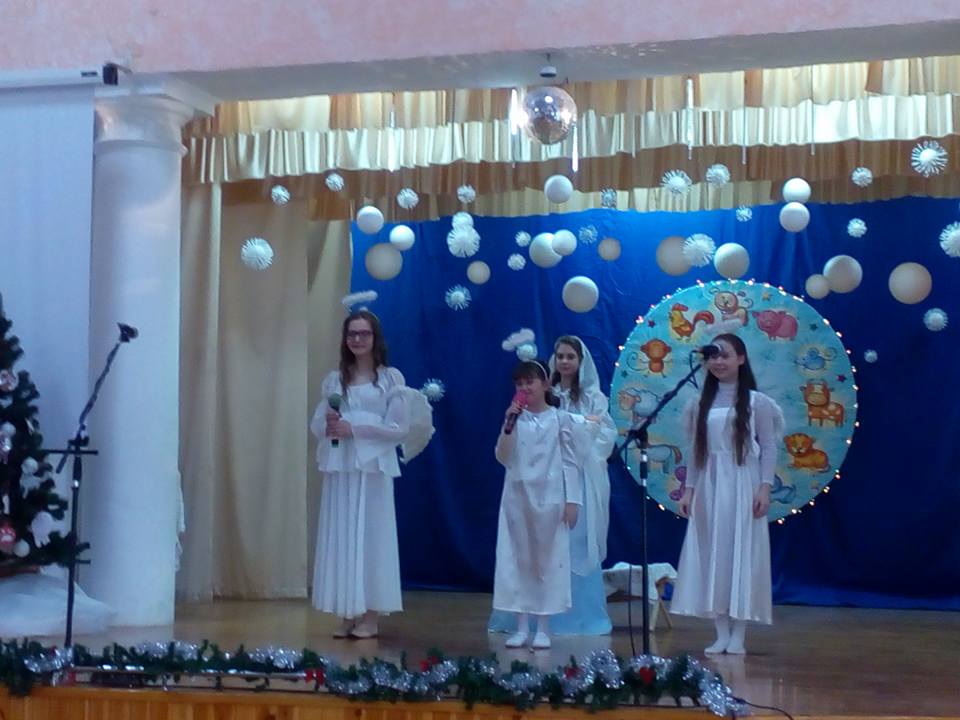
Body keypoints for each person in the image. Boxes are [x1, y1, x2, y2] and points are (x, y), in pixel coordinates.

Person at [309, 308, 433, 639]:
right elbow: (318, 423)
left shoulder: (390, 379)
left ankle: (370, 615)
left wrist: (355, 428)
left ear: (375, 338)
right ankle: (347, 610)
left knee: (371, 536)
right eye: (352, 334)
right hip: (343, 466)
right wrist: (329, 424)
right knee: (343, 535)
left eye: (364, 334)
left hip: (373, 468)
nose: (358, 339)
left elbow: (399, 428)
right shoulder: (335, 380)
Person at [489, 336, 615, 636]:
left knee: (573, 547)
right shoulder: (542, 394)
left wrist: (580, 431)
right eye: (560, 356)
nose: (565, 361)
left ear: (581, 361)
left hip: (577, 479)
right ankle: (526, 619)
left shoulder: (593, 397)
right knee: (531, 548)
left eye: (571, 356)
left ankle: (572, 617)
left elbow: (603, 434)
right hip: (537, 481)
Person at [670, 333, 783, 655]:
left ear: (741, 359)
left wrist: (764, 487)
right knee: (713, 553)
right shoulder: (699, 403)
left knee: (741, 553)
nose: (719, 361)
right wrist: (689, 491)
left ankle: (739, 634)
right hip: (710, 484)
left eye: (726, 355)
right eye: (714, 356)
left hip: (743, 481)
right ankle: (720, 631)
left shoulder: (757, 403)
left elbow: (769, 447)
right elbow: (696, 451)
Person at [492, 359, 583, 650]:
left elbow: (571, 462)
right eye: (519, 384)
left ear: (545, 384)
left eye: (530, 382)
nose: (525, 388)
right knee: (518, 558)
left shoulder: (561, 419)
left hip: (550, 497)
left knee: (547, 560)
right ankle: (521, 626)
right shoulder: (515, 419)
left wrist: (572, 500)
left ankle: (543, 627)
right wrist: (508, 425)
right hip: (517, 497)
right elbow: (503, 456)